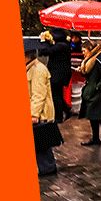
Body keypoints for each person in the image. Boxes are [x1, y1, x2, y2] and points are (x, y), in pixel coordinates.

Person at [27, 46, 59, 176]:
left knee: (41, 142)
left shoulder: (38, 69)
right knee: (40, 142)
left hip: (41, 113)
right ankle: (46, 167)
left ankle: (48, 168)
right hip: (36, 111)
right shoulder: (30, 68)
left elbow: (39, 95)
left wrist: (34, 114)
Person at [39, 28, 73, 122]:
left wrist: (43, 40)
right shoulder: (63, 44)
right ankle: (67, 110)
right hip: (60, 74)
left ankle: (59, 117)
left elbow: (45, 52)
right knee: (57, 94)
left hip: (57, 74)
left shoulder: (60, 45)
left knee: (56, 96)